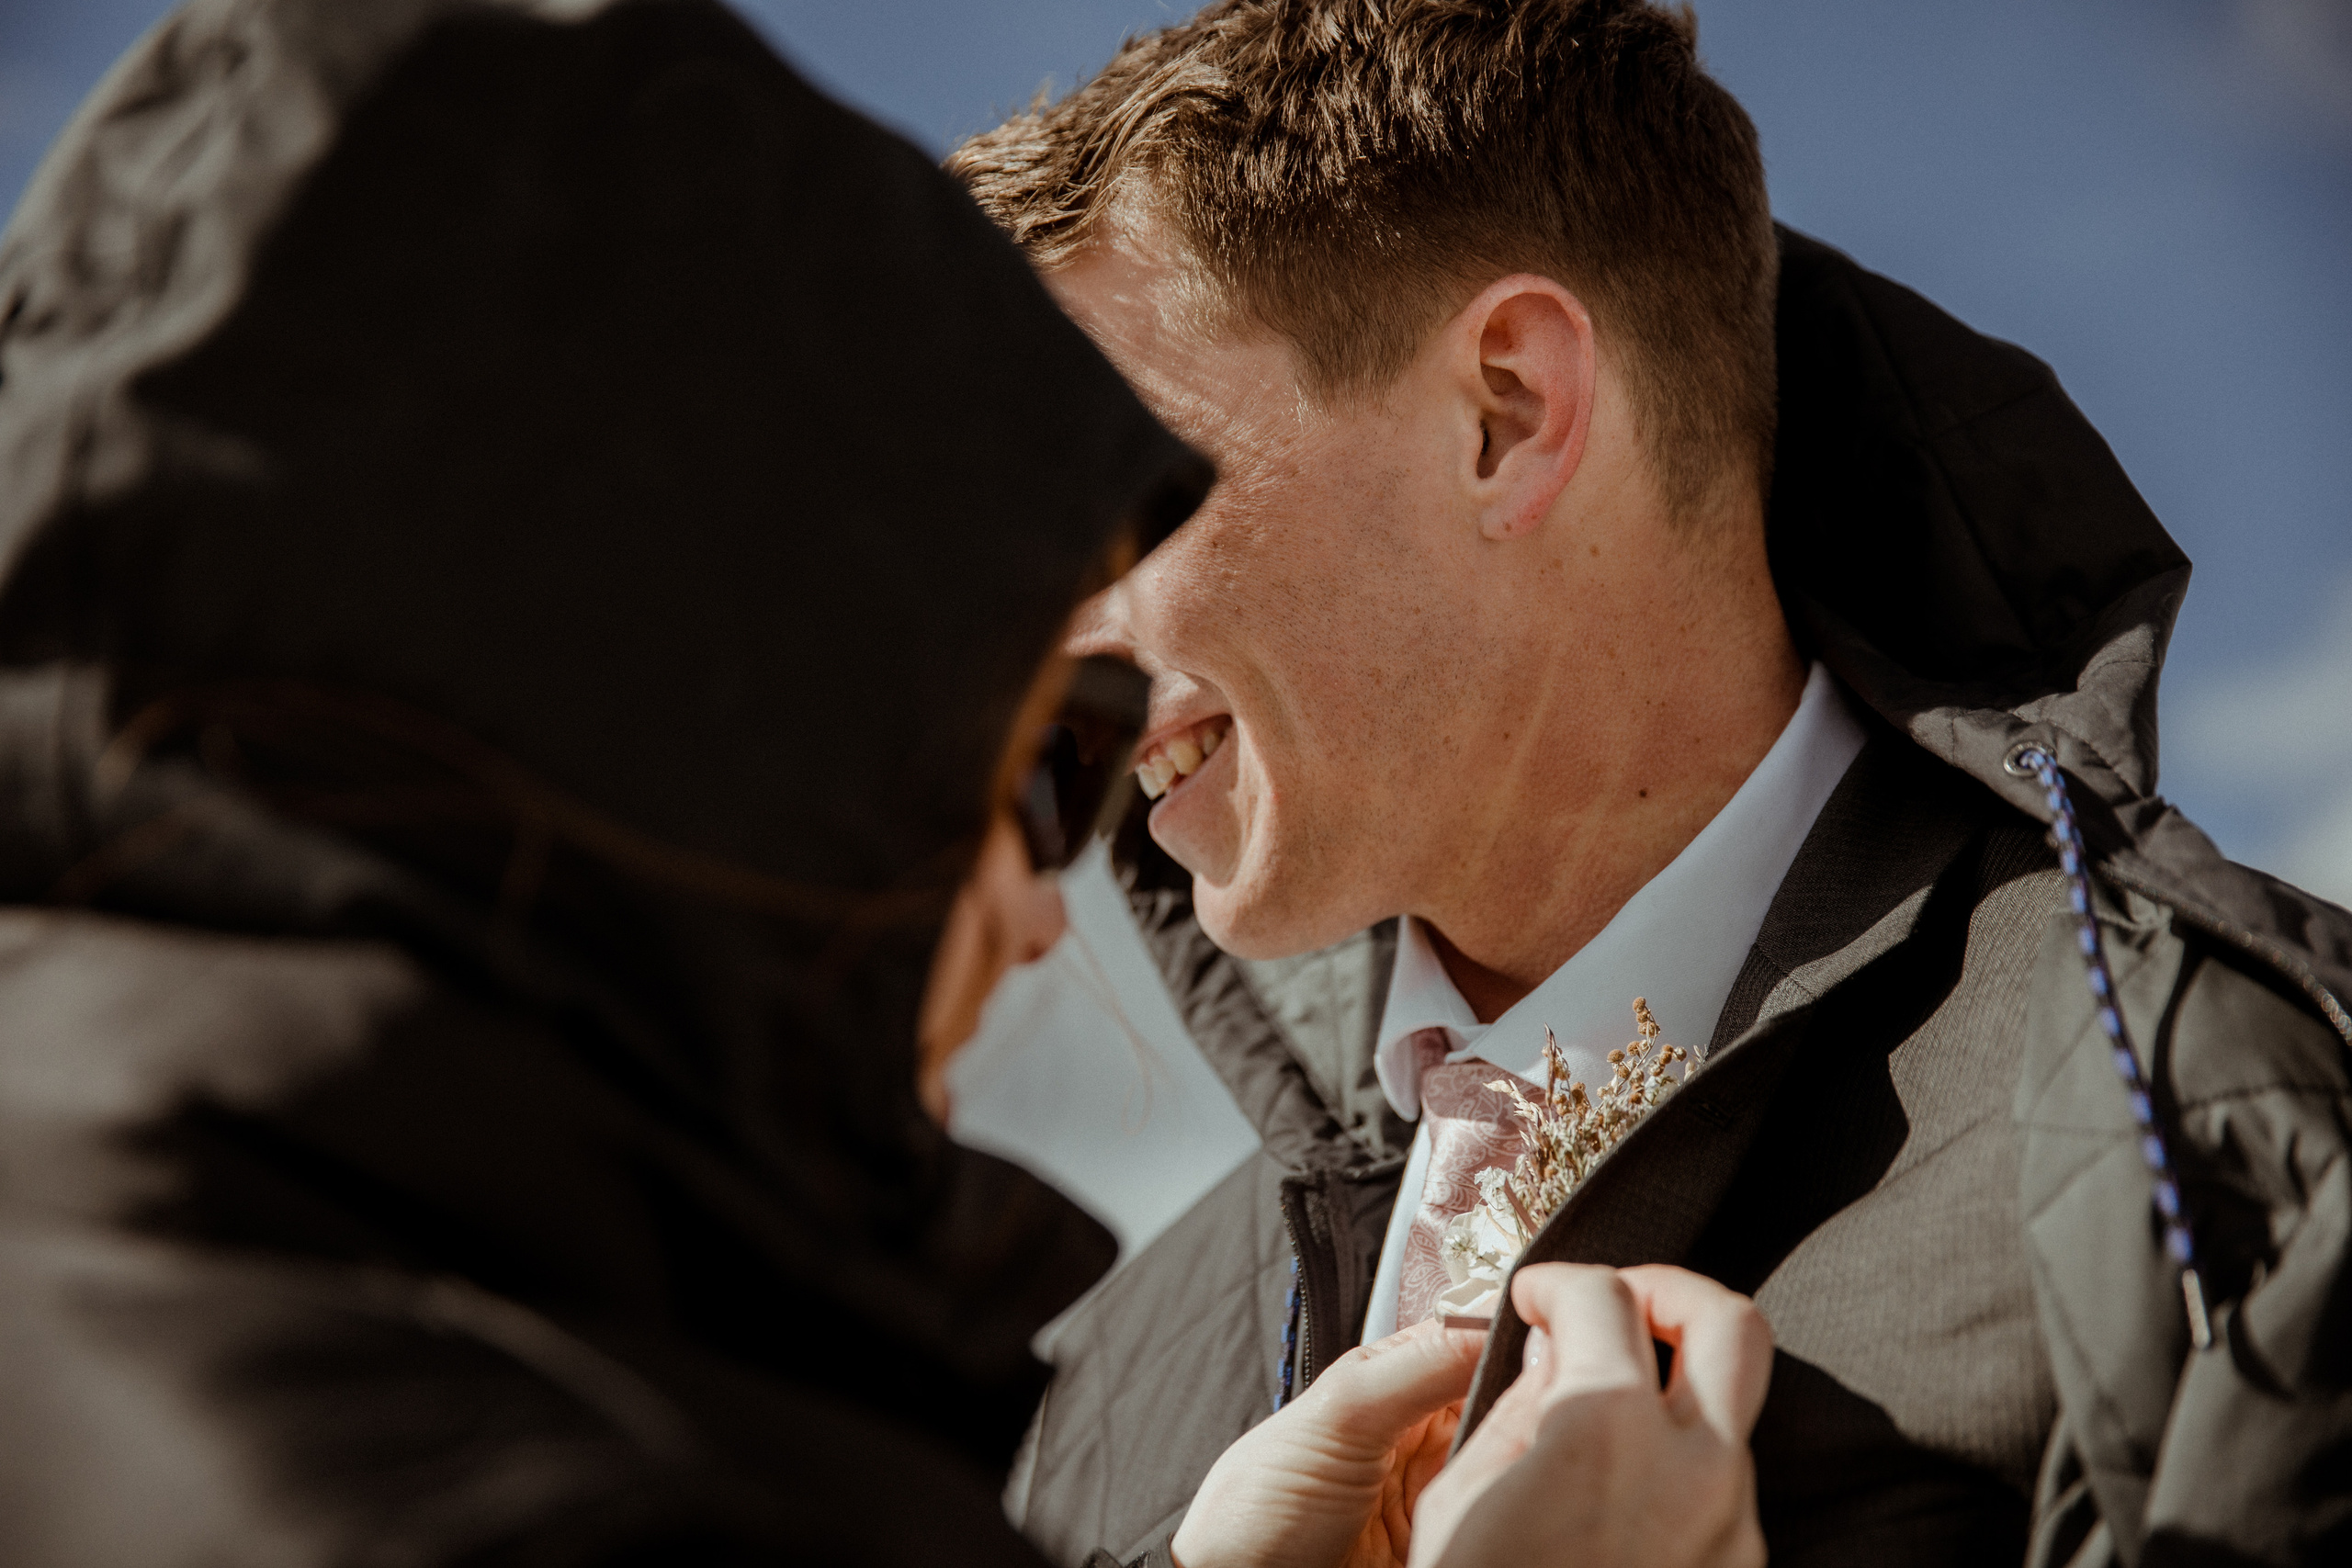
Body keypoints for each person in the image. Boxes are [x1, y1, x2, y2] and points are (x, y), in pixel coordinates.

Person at [0, 2, 1776, 1565]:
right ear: (696, 731)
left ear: (1507, 413)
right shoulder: (510, 1476)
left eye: (1068, 742)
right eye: (1002, 744)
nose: (1039, 899)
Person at [946, 2, 2352, 1564]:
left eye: (1111, 497)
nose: (1038, 647)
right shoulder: (1100, 1394)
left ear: (1508, 413)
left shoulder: (2224, 1132)